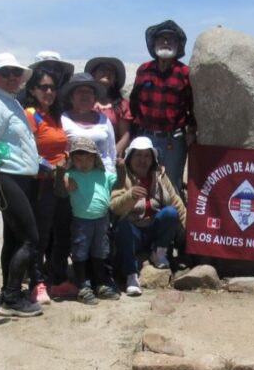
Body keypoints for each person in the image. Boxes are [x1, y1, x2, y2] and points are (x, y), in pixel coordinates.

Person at [0, 53, 44, 318]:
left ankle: (10, 292)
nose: (13, 78)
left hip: (18, 175)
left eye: (16, 73)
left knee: (14, 237)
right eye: (6, 73)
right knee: (30, 238)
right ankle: (12, 297)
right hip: (6, 175)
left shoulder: (9, 102)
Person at [110, 136, 187, 296]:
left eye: (147, 156)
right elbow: (114, 207)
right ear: (130, 157)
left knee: (170, 213)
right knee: (122, 224)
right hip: (133, 232)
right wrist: (130, 196)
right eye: (138, 155)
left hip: (154, 229)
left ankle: (158, 253)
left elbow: (177, 203)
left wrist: (189, 232)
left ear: (153, 159)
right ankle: (131, 275)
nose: (142, 160)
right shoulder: (122, 176)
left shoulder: (160, 176)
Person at [22, 65, 71, 304]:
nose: (49, 91)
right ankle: (36, 282)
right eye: (44, 87)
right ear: (32, 90)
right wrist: (50, 168)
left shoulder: (54, 115)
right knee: (40, 236)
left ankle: (58, 279)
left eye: (52, 87)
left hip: (59, 183)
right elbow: (27, 149)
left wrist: (67, 161)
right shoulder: (31, 114)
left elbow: (62, 147)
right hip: (41, 183)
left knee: (61, 232)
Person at [128, 20, 194, 193]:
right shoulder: (144, 70)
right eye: (161, 38)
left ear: (178, 45)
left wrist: (192, 130)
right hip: (145, 137)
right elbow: (134, 103)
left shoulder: (185, 73)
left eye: (171, 39)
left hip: (173, 140)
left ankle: (171, 218)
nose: (165, 42)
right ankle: (144, 219)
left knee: (171, 185)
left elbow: (192, 106)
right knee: (141, 181)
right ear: (153, 43)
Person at [56, 137, 120, 304]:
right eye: (78, 159)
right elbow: (61, 193)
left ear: (95, 159)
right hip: (81, 221)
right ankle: (83, 286)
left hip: (102, 220)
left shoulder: (103, 175)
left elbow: (119, 183)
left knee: (100, 251)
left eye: (88, 159)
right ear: (72, 160)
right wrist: (61, 173)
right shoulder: (72, 175)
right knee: (80, 252)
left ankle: (100, 284)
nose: (83, 163)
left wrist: (122, 169)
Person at [61, 73, 117, 173]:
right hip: (73, 180)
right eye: (80, 91)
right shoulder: (63, 120)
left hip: (104, 177)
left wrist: (112, 174)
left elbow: (112, 152)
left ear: (94, 98)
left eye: (89, 92)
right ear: (71, 97)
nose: (85, 95)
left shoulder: (104, 120)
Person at [86, 57, 133, 156]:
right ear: (93, 74)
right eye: (103, 69)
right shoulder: (84, 102)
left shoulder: (122, 106)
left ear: (115, 80)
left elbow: (125, 135)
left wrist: (114, 153)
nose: (107, 73)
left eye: (112, 71)